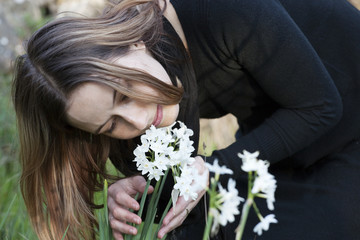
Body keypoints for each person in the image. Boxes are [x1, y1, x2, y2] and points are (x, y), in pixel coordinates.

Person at [12, 0, 360, 239]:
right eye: (110, 125)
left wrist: (214, 167)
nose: (139, 119)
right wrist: (139, 196)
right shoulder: (129, 98)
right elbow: (182, 199)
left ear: (130, 40)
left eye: (125, 92)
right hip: (287, 144)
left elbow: (319, 107)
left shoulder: (221, 10)